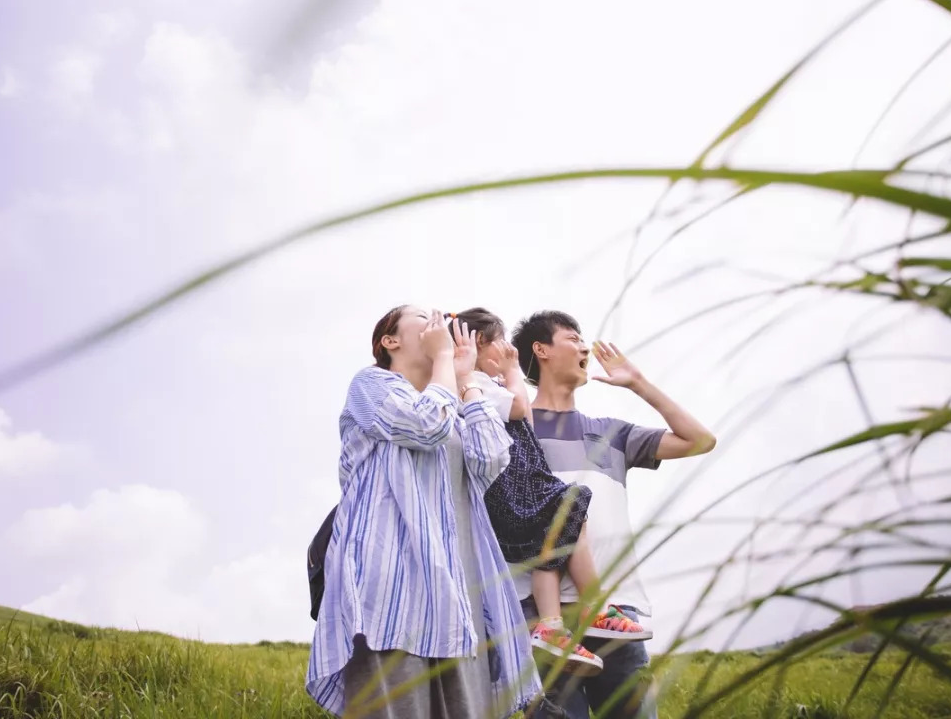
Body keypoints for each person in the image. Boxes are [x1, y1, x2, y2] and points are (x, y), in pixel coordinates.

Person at [306, 306, 541, 719]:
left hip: (458, 603)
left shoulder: (453, 402)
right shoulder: (372, 384)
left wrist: (467, 379)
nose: (439, 320)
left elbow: (492, 458)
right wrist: (447, 363)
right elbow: (423, 426)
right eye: (421, 314)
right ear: (389, 341)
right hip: (392, 598)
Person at [511, 310, 717, 719]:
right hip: (541, 622)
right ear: (542, 350)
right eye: (573, 338)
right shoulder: (512, 430)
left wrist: (638, 383)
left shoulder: (612, 433)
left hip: (614, 615)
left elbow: (700, 440)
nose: (586, 346)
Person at [449, 308, 654, 676]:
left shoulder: (482, 386)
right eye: (501, 343)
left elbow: (524, 420)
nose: (510, 350)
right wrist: (512, 371)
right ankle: (593, 612)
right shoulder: (474, 385)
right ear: (479, 343)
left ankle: (552, 626)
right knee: (570, 506)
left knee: (558, 529)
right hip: (513, 489)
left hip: (521, 487)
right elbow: (519, 410)